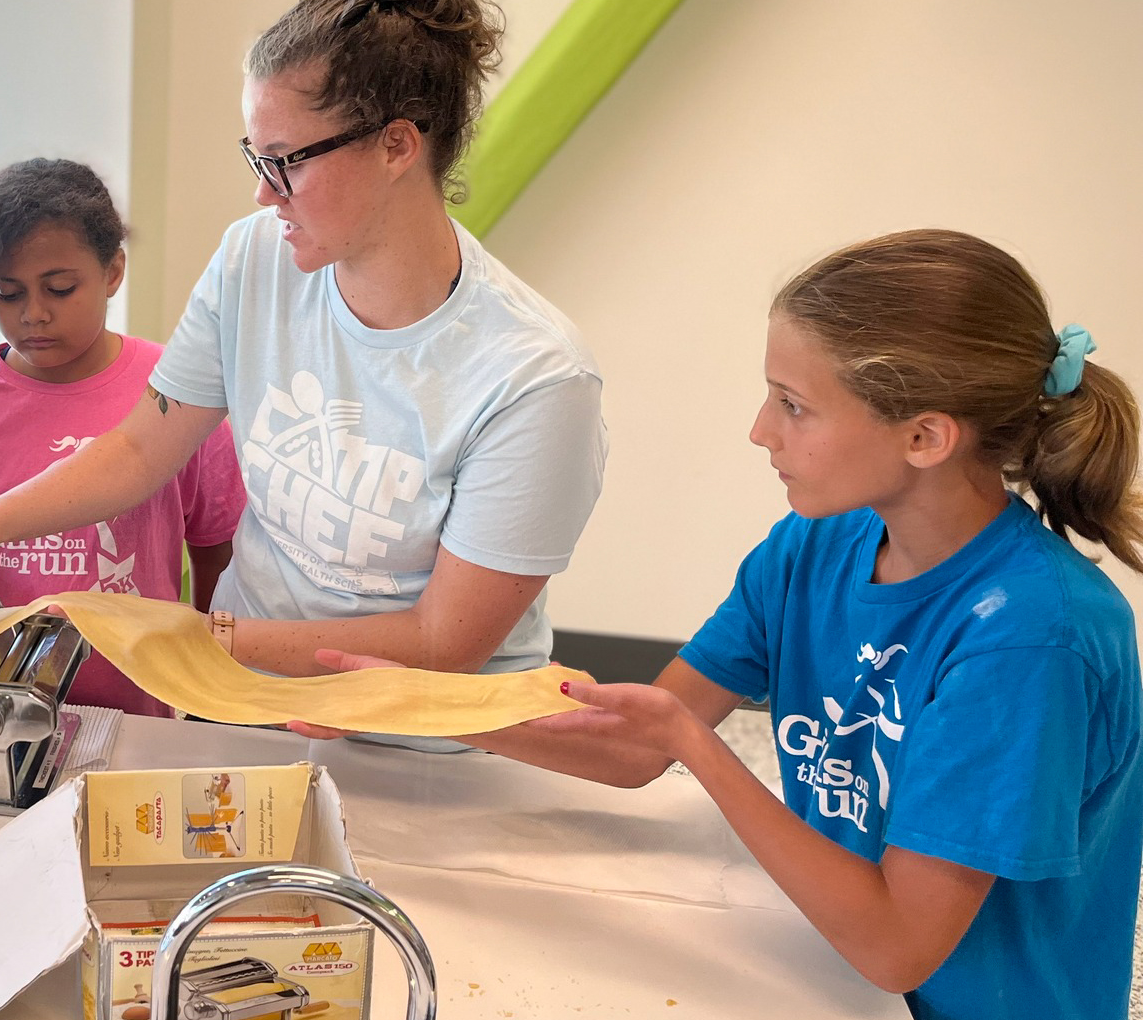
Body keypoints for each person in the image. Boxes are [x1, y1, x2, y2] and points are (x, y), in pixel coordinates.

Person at [298, 230, 1142, 1017]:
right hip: (828, 975)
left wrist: (700, 748)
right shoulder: (818, 545)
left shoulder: (1032, 638)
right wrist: (415, 700)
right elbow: (634, 745)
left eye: (794, 405)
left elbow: (898, 949)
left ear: (924, 436)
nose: (759, 431)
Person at [0, 0, 607, 741]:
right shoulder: (254, 258)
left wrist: (195, 634)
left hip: (427, 737)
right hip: (241, 700)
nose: (264, 194)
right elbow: (138, 449)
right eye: (253, 157)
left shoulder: (536, 380)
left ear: (398, 145)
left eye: (285, 162)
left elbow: (443, 645)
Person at [0, 158, 244, 716]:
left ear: (113, 271)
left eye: (61, 289)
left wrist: (211, 686)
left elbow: (217, 553)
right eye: (8, 293)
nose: (34, 315)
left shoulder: (174, 394)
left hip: (139, 707)